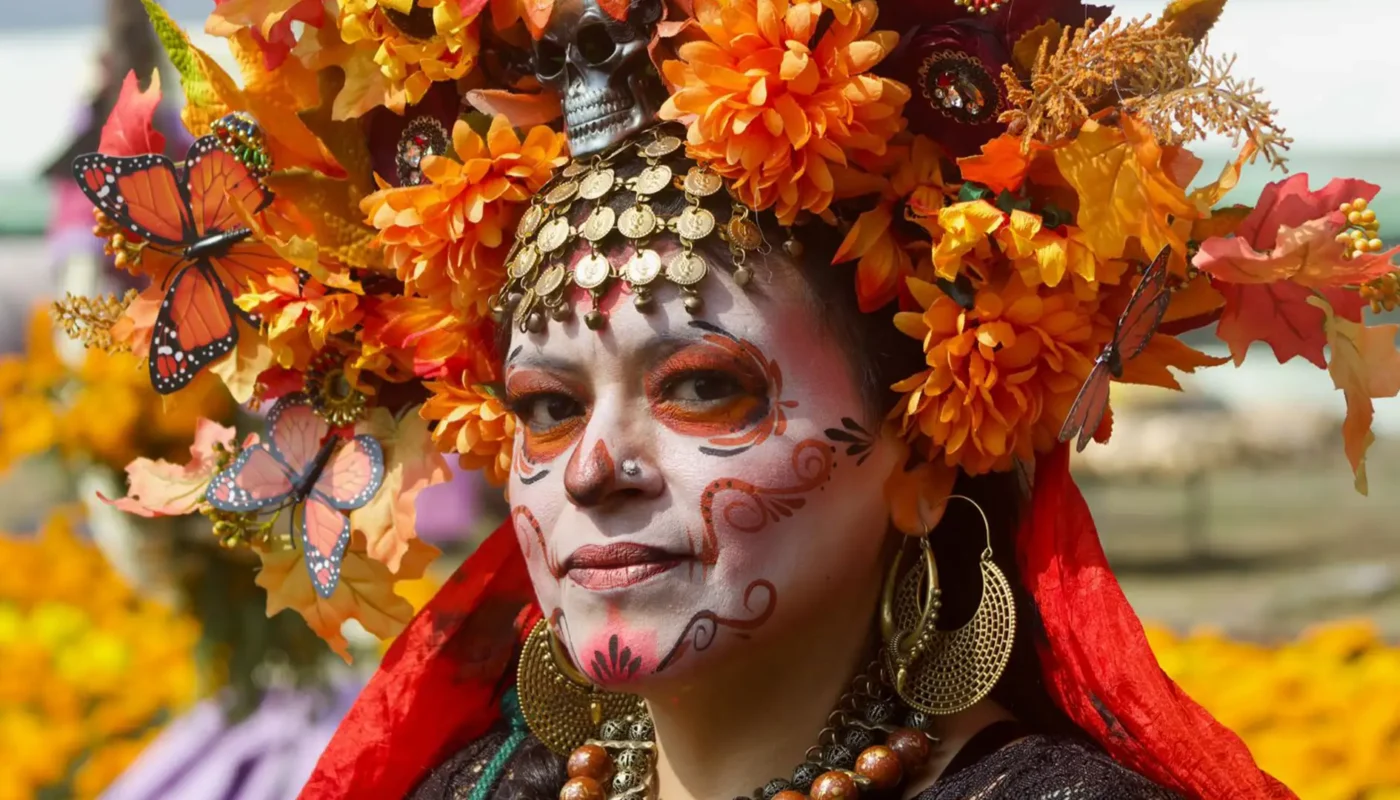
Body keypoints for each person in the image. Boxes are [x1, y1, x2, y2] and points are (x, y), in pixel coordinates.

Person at [63, 0, 1399, 799]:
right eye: (540, 407)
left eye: (702, 387)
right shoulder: (480, 790)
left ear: (928, 447)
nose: (592, 467)